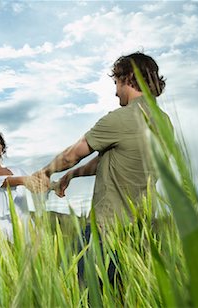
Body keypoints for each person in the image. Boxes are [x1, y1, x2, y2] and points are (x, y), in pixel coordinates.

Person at [34, 51, 171, 228]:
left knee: (79, 256)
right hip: (142, 227)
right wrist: (71, 175)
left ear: (128, 78)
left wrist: (45, 173)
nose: (116, 92)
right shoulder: (165, 122)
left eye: (116, 83)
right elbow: (114, 160)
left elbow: (72, 155)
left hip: (107, 226)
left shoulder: (121, 118)